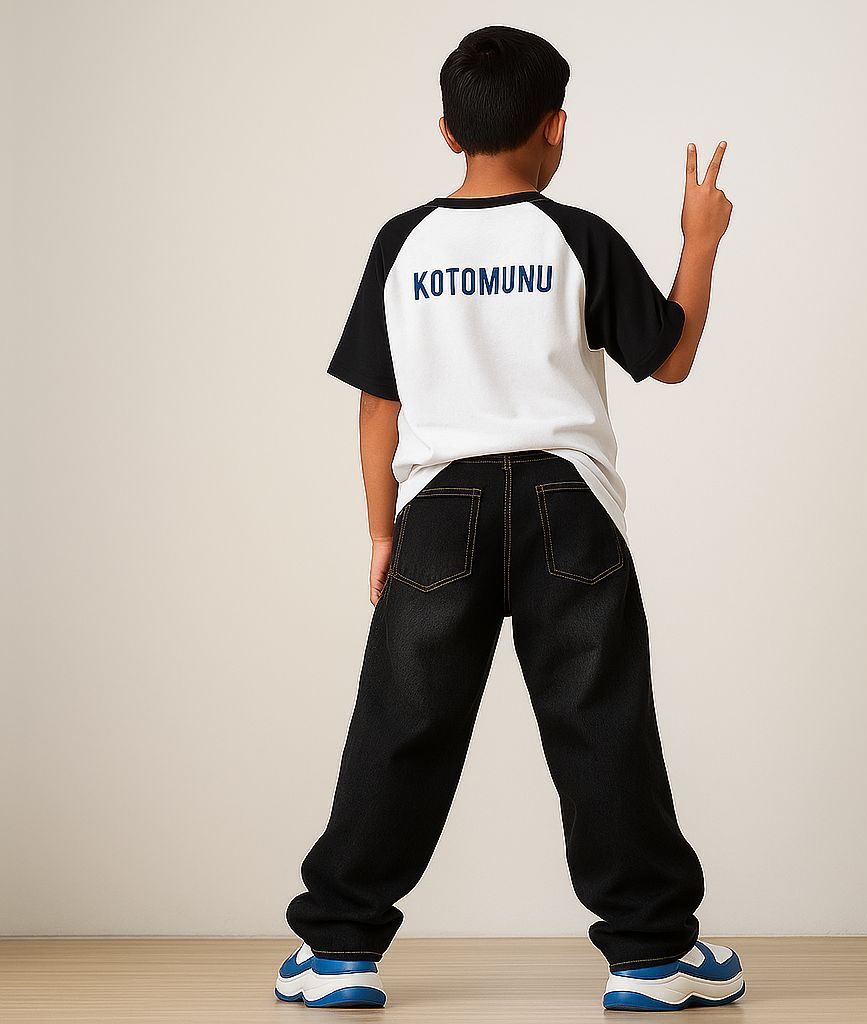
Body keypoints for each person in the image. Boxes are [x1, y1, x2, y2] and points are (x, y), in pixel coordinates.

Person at [275, 25, 741, 1012]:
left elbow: (377, 405)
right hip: (567, 505)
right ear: (556, 126)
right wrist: (699, 240)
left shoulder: (402, 243)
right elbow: (670, 359)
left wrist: (383, 532)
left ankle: (339, 950)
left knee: (401, 725)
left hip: (439, 508)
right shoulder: (578, 236)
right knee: (601, 725)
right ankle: (650, 956)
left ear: (447, 131)